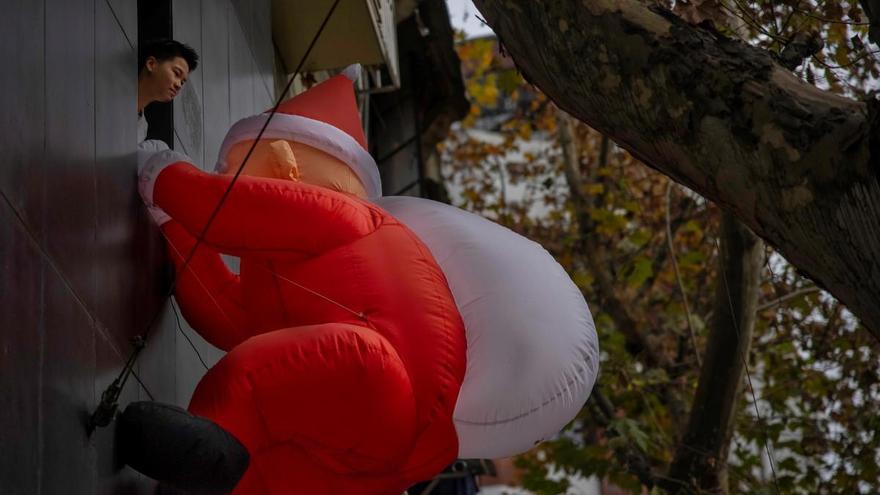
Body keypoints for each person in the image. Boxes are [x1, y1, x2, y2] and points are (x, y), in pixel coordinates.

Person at [137, 39, 199, 144]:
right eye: (176, 73)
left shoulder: (143, 127)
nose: (179, 85)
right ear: (151, 64)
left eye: (182, 82)